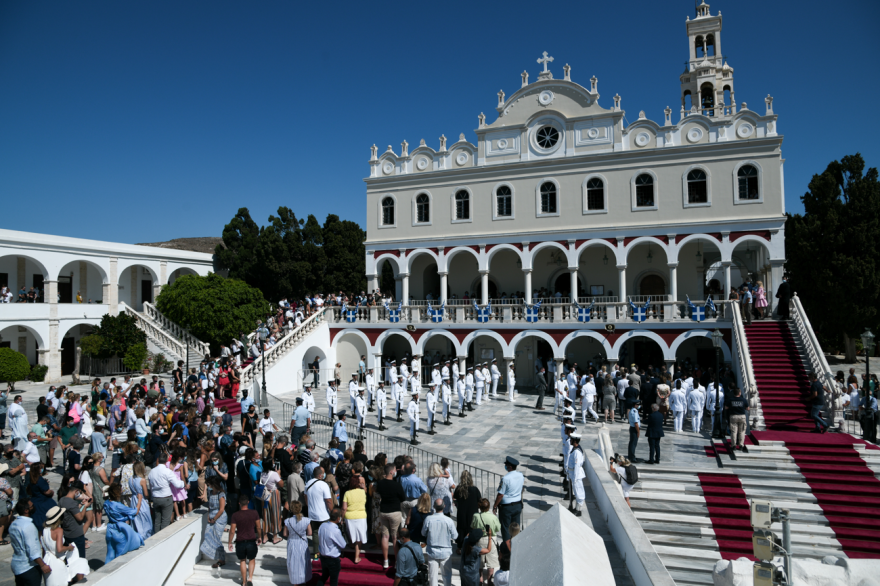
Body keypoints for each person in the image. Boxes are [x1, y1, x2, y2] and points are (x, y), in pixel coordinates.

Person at [41, 505, 89, 586]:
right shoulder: (58, 530)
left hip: (47, 561)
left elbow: (43, 548)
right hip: (57, 562)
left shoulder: (44, 530)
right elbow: (59, 549)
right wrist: (69, 547)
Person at [10, 499, 53, 586]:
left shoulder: (14, 524)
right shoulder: (29, 526)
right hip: (29, 568)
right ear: (26, 510)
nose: (34, 507)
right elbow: (32, 550)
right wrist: (42, 565)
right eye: (32, 506)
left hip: (17, 566)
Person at [375, 463, 407, 569]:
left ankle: (385, 561)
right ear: (391, 472)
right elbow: (403, 498)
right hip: (394, 512)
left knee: (385, 536)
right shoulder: (396, 485)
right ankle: (397, 561)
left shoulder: (380, 483)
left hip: (383, 511)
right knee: (394, 538)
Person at [104, 484, 143, 563]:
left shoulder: (106, 503)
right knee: (120, 555)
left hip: (109, 529)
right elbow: (135, 512)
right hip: (119, 531)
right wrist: (139, 500)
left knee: (109, 555)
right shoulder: (118, 506)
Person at [147, 451, 186, 533]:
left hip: (156, 497)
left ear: (158, 459)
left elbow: (150, 486)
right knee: (165, 520)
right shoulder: (168, 471)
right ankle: (163, 538)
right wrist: (183, 483)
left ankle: (156, 537)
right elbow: (178, 485)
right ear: (167, 460)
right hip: (166, 498)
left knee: (157, 520)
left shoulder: (152, 471)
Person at [423, 498, 458, 586]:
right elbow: (455, 536)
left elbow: (423, 533)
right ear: (444, 506)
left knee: (433, 576)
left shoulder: (428, 519)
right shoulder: (448, 520)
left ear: (434, 507)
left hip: (432, 551)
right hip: (445, 551)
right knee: (447, 576)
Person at [228, 495, 261, 586]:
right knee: (252, 559)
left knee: (242, 560)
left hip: (240, 541)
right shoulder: (254, 513)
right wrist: (260, 537)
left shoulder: (235, 515)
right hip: (251, 540)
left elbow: (232, 530)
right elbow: (258, 527)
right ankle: (250, 579)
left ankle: (244, 582)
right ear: (248, 502)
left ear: (239, 503)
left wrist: (230, 542)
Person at [305, 465, 333, 556]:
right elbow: (328, 501)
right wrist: (332, 512)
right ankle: (325, 551)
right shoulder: (323, 485)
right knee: (325, 533)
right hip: (323, 514)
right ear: (320, 475)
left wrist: (309, 506)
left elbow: (305, 497)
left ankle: (316, 552)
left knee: (315, 533)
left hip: (312, 513)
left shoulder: (308, 483)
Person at [471, 498, 501, 584]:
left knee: (479, 562)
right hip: (490, 539)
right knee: (491, 563)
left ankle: (480, 579)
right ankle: (489, 580)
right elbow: (498, 528)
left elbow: (473, 527)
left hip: (479, 540)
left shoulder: (476, 516)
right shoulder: (493, 517)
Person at [342, 475, 368, 564]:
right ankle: (357, 557)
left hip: (350, 517)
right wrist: (363, 484)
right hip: (361, 516)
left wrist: (342, 518)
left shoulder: (347, 493)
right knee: (359, 538)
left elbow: (344, 508)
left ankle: (352, 545)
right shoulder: (363, 492)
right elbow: (365, 490)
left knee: (352, 535)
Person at [318, 508, 347, 586]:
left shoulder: (322, 525)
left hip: (323, 557)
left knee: (324, 577)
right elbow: (343, 544)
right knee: (333, 581)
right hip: (333, 560)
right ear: (338, 519)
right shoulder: (335, 531)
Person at [454, 470, 481, 550]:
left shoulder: (458, 489)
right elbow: (480, 500)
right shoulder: (475, 489)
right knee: (471, 528)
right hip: (472, 513)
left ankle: (460, 547)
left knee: (461, 529)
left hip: (461, 512)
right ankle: (471, 546)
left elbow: (455, 499)